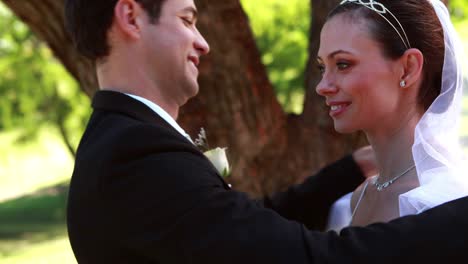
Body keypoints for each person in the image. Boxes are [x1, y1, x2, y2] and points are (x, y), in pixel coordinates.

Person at [65, 0, 468, 263]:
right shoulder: (137, 155)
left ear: (408, 68)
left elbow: (235, 230)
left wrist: (342, 174)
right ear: (131, 16)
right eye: (187, 19)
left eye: (342, 64)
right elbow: (295, 256)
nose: (203, 43)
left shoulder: (123, 142)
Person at [316, 0, 468, 231]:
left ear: (408, 68)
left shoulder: (441, 202)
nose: (322, 86)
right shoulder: (360, 197)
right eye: (322, 68)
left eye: (343, 64)